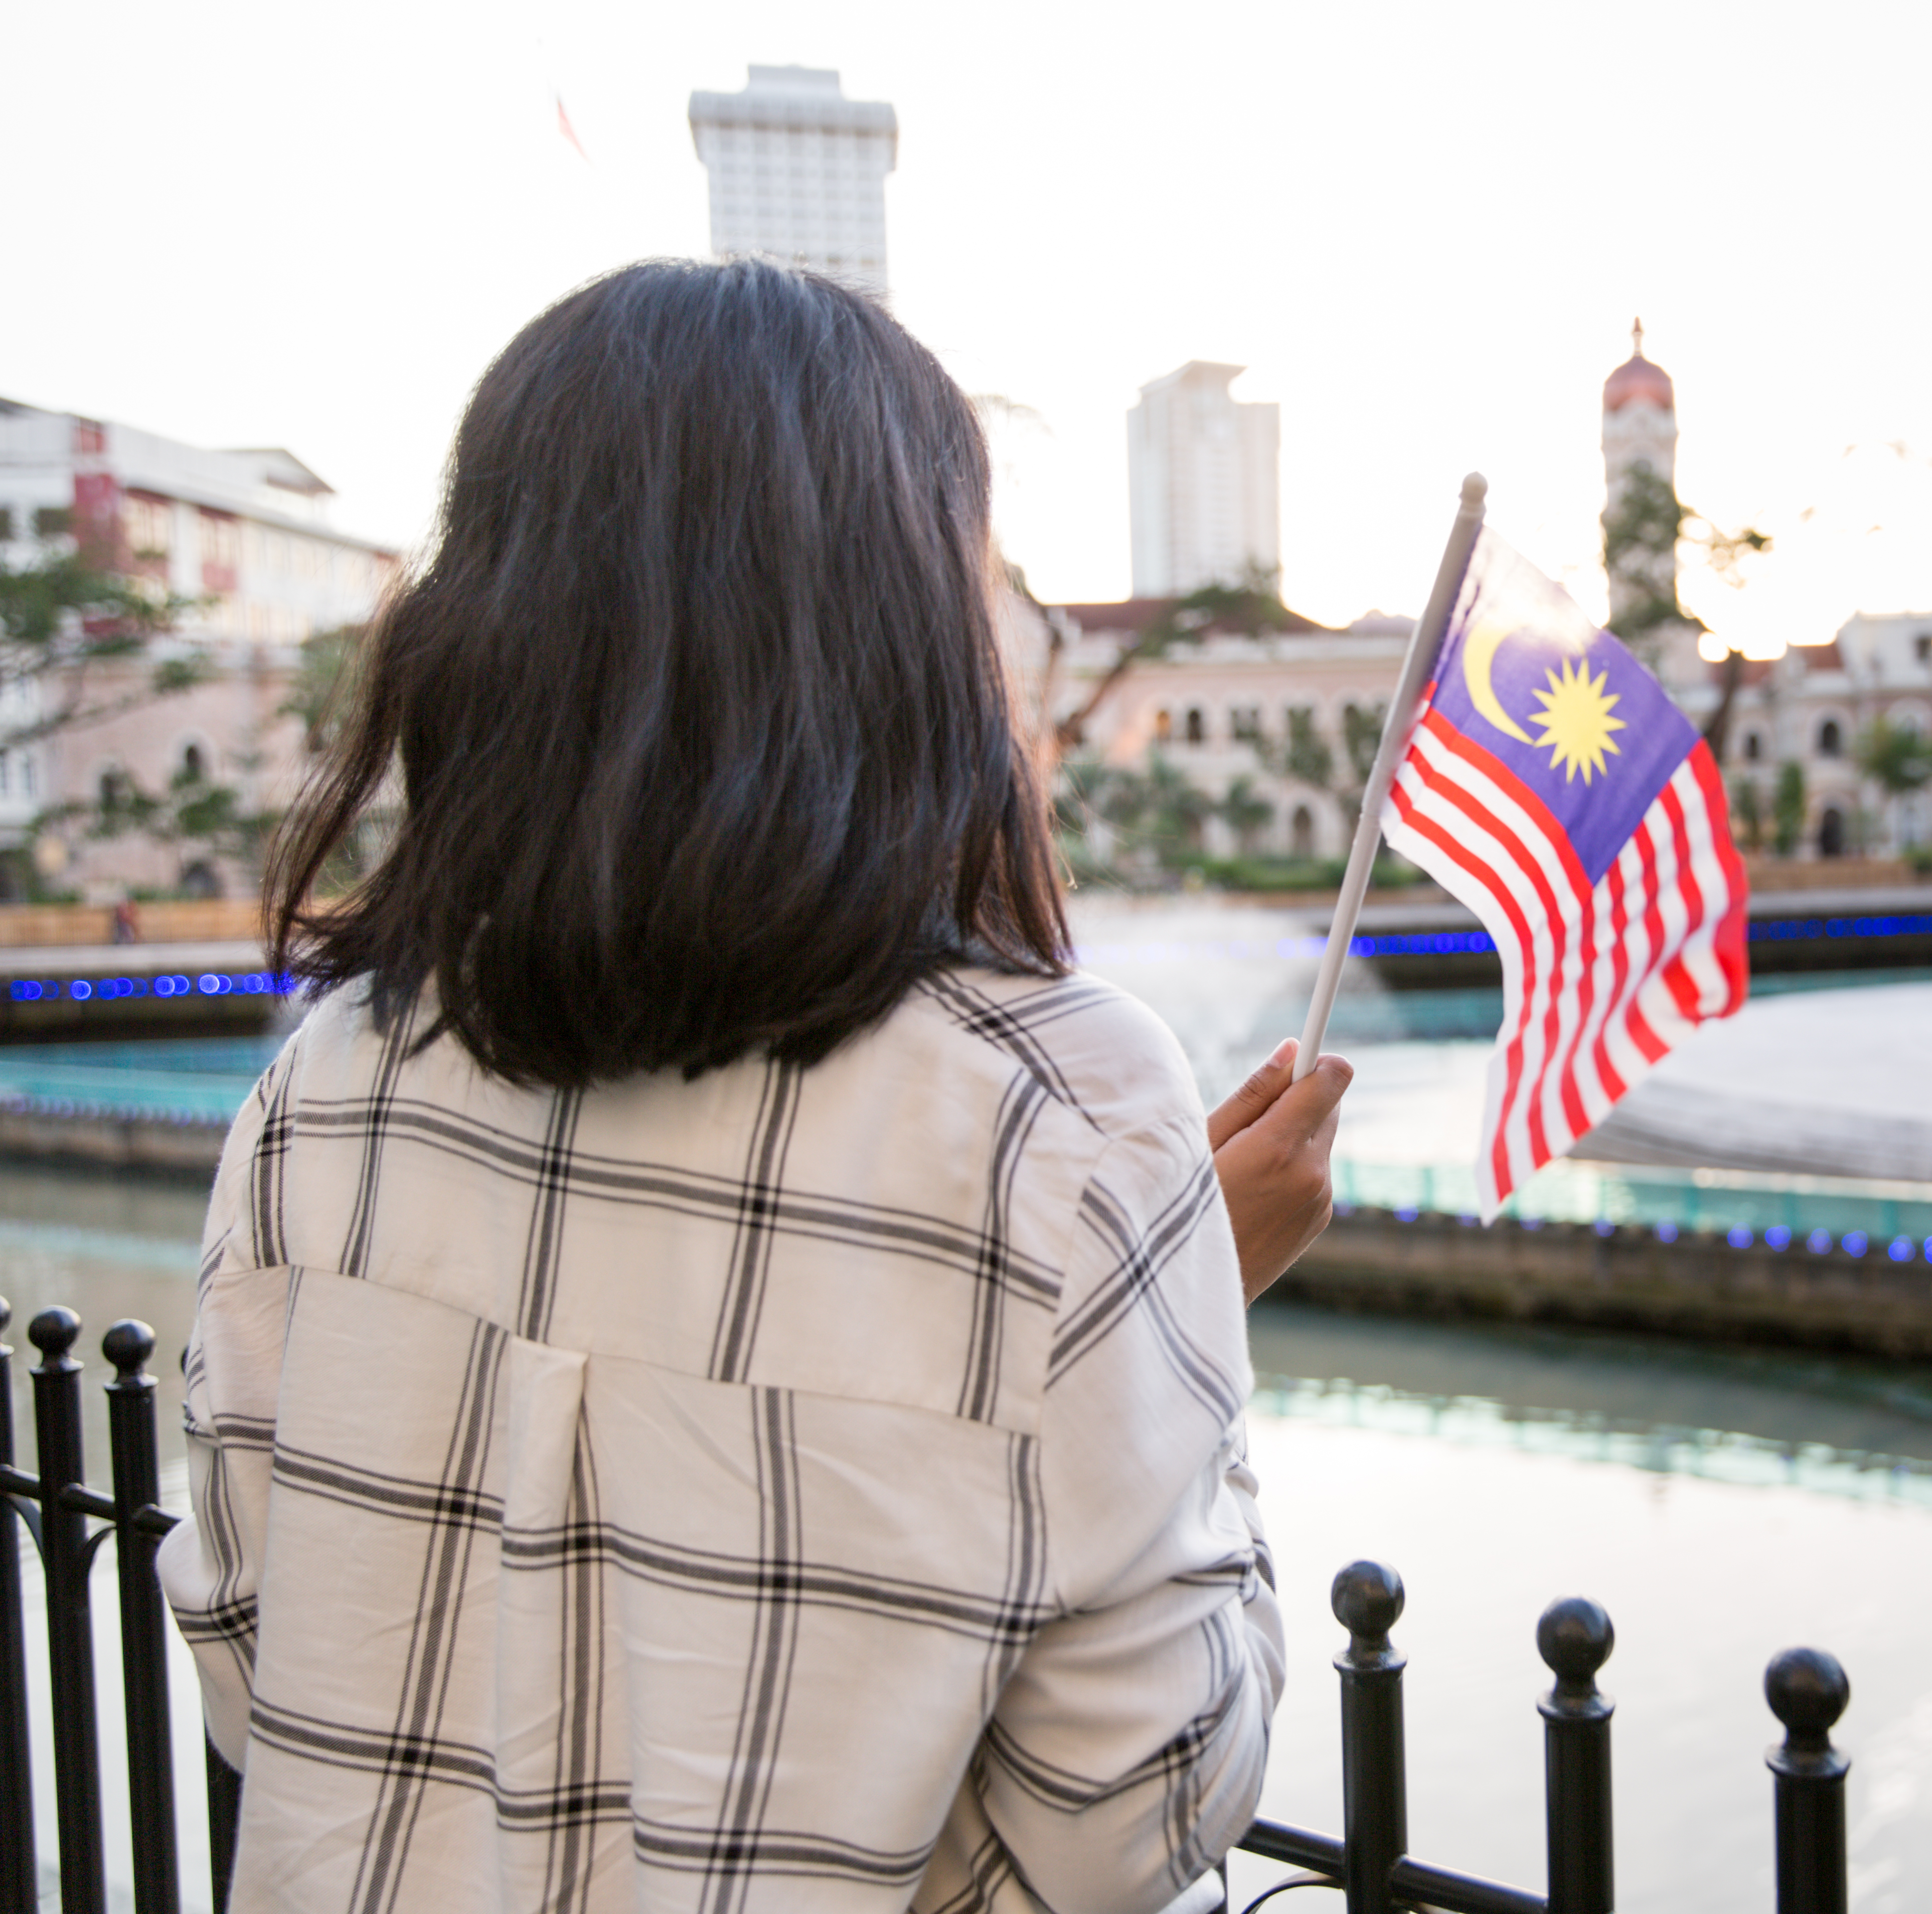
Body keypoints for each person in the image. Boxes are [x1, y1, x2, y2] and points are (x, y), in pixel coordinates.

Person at [155, 258, 1351, 1914]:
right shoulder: (1053, 1116)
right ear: (906, 628)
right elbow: (1138, 1811)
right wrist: (1189, 1296)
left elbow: (240, 1654)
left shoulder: (329, 1088)